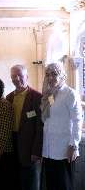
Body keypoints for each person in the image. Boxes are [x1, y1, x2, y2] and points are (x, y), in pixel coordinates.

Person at [41, 62, 83, 190]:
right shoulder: (50, 95)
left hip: (64, 150)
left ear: (62, 75)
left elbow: (77, 120)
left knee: (64, 185)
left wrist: (73, 145)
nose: (51, 77)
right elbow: (48, 119)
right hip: (48, 150)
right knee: (51, 184)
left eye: (54, 74)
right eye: (48, 75)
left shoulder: (70, 93)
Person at [6, 64, 43, 190]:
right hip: (12, 145)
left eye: (20, 75)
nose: (17, 79)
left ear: (26, 77)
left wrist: (36, 151)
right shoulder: (9, 98)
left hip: (29, 147)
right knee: (14, 181)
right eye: (13, 76)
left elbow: (40, 127)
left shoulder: (37, 97)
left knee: (30, 183)